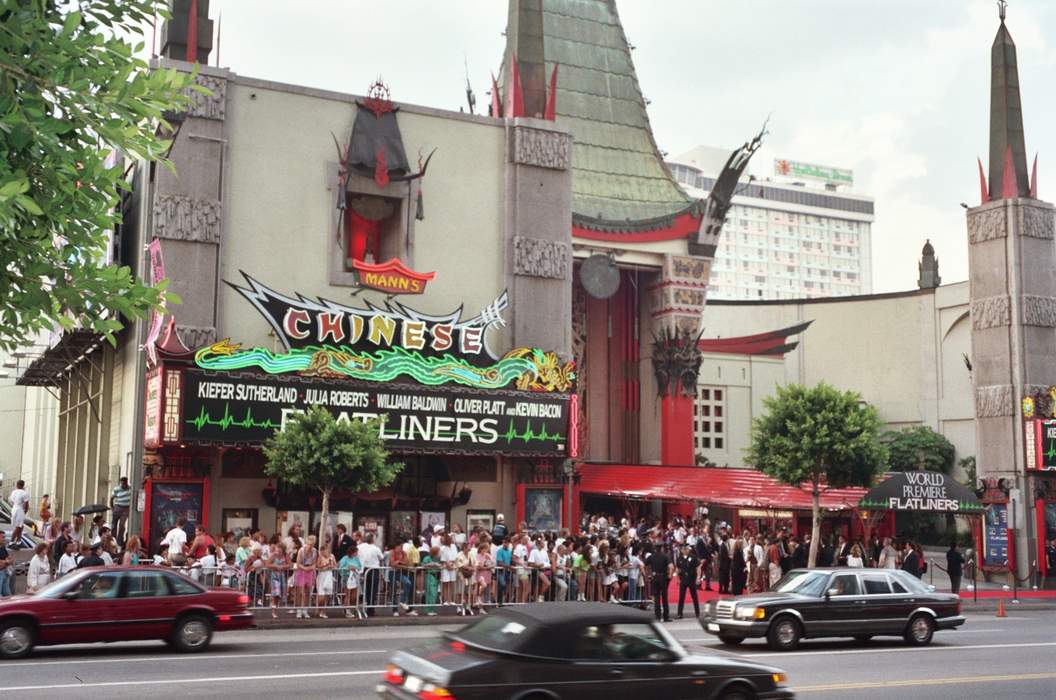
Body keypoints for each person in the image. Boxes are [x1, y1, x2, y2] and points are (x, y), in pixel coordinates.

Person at [357, 533, 382, 615]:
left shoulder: (360, 547)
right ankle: (370, 609)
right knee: (373, 589)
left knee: (366, 589)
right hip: (374, 569)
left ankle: (365, 606)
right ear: (372, 540)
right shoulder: (375, 548)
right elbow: (381, 557)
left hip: (364, 569)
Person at [293, 535, 318, 619]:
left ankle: (305, 610)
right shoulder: (301, 550)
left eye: (312, 544)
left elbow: (315, 563)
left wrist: (310, 568)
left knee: (308, 592)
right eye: (309, 544)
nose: (310, 546)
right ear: (306, 543)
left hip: (310, 571)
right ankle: (299, 610)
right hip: (301, 570)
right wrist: (304, 568)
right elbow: (298, 562)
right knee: (300, 592)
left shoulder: (315, 551)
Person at [646, 544, 672, 622]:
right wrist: (670, 575)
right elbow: (670, 566)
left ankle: (657, 616)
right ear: (661, 548)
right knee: (664, 597)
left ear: (655, 548)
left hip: (655, 577)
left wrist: (648, 574)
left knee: (656, 597)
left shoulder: (651, 556)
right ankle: (666, 616)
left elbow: (645, 565)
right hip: (663, 577)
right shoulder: (665, 556)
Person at [675, 543, 701, 619]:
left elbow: (698, 567)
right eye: (683, 549)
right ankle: (679, 613)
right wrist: (677, 579)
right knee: (681, 597)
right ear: (681, 550)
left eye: (686, 549)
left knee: (694, 596)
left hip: (691, 579)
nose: (685, 550)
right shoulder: (679, 558)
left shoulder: (693, 557)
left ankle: (697, 613)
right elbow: (678, 569)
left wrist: (698, 577)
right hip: (683, 579)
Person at [315, 545, 336, 618]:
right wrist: (326, 566)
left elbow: (335, 565)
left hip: (329, 576)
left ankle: (323, 611)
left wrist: (332, 567)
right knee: (321, 596)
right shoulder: (320, 557)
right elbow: (317, 566)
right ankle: (319, 608)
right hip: (322, 576)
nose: (324, 552)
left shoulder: (332, 556)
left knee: (327, 595)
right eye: (322, 551)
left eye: (325, 550)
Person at [109, 476, 132, 545]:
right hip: (117, 507)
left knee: (122, 525)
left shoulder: (130, 488)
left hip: (126, 508)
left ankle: (120, 540)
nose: (123, 485)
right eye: (122, 484)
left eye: (124, 484)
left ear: (126, 483)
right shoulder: (117, 489)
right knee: (114, 524)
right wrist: (112, 508)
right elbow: (111, 498)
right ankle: (113, 539)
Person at [8, 479, 29, 548]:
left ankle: (18, 541)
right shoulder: (24, 493)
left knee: (21, 526)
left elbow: (11, 501)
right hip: (20, 510)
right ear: (23, 485)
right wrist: (25, 511)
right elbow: (26, 504)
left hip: (14, 509)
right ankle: (11, 542)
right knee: (18, 526)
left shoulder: (13, 492)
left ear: (17, 485)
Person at [0, 532, 11, 596]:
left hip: (4, 573)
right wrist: (6, 561)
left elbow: (10, 559)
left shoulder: (3, 548)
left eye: (4, 537)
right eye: (2, 537)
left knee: (7, 595)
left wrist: (5, 562)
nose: (4, 539)